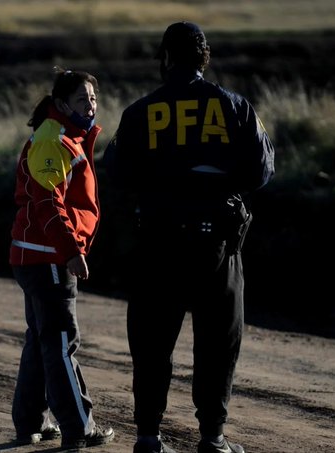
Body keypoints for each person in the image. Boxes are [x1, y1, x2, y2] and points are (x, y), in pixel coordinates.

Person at [103, 22, 275, 453]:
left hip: (158, 244)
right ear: (204, 57)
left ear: (165, 58)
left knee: (151, 344)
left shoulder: (141, 111)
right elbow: (261, 171)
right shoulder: (235, 106)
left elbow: (117, 170)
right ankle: (213, 438)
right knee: (218, 344)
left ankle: (148, 436)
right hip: (218, 246)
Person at [9, 66, 115, 450]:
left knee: (42, 340)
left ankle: (30, 422)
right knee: (60, 342)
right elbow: (47, 203)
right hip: (48, 257)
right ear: (61, 104)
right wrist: (71, 251)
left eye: (93, 98)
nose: (90, 106)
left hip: (36, 255)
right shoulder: (53, 140)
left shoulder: (65, 137)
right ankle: (78, 427)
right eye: (82, 99)